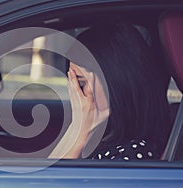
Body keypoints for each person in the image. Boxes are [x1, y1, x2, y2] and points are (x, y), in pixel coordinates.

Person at [50, 21, 171, 160]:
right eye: (72, 83)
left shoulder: (131, 155)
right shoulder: (104, 137)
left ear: (114, 83)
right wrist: (76, 128)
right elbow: (44, 177)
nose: (75, 93)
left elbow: (52, 181)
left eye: (80, 82)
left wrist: (80, 133)